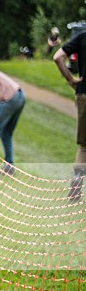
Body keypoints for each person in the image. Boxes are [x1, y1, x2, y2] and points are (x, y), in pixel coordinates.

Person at [53, 28, 86, 202]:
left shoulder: (82, 37)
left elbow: (57, 57)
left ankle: (76, 185)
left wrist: (71, 80)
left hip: (84, 95)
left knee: (83, 146)